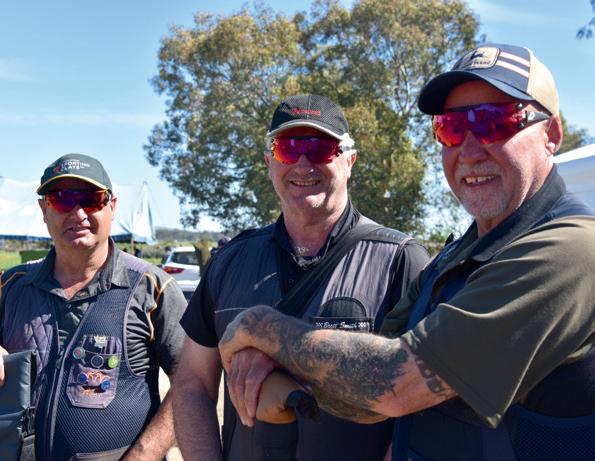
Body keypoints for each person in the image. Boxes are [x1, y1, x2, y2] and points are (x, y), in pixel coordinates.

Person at [218, 44, 595, 460]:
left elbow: (393, 382)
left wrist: (260, 327)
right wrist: (274, 366)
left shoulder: (572, 250)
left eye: (495, 122)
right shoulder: (456, 258)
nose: (470, 151)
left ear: (551, 135)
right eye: (451, 128)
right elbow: (364, 392)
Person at [173, 94, 429, 460]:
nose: (304, 164)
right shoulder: (230, 262)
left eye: (321, 148)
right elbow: (192, 382)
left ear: (350, 161)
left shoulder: (401, 260)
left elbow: (425, 404)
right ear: (269, 163)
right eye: (288, 148)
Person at [0, 153, 187, 460]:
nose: (78, 213)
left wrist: (144, 454)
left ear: (112, 206)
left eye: (91, 199)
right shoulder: (11, 286)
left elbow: (192, 382)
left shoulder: (152, 288)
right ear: (44, 210)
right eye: (61, 199)